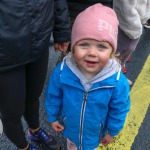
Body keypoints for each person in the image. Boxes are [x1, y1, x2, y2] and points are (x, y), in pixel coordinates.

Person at [44, 4, 130, 150]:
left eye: (101, 46)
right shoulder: (62, 71)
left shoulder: (117, 81)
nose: (92, 53)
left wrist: (112, 131)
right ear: (73, 46)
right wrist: (52, 117)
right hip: (70, 130)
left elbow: (119, 108)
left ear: (111, 51)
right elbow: (53, 96)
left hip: (94, 135)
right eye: (84, 44)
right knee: (71, 146)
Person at [0, 0, 70, 150]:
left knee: (33, 96)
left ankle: (35, 131)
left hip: (39, 43)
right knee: (12, 112)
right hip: (4, 58)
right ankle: (23, 147)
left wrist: (61, 30)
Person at [113, 0, 150, 75]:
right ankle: (115, 72)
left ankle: (119, 64)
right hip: (129, 25)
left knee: (126, 49)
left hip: (135, 21)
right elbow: (127, 11)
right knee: (125, 49)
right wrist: (135, 28)